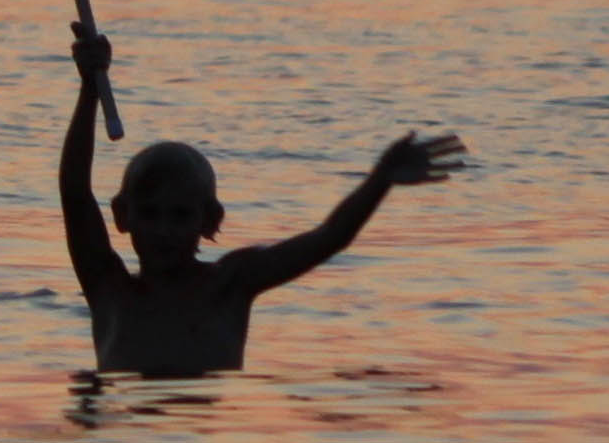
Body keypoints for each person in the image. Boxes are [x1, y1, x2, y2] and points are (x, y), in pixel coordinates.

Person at [60, 25, 465, 376]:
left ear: (210, 220)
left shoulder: (231, 283)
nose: (163, 230)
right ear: (122, 215)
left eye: (180, 216)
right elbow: (75, 193)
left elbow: (329, 237)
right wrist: (89, 88)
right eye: (150, 214)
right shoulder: (109, 288)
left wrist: (380, 181)